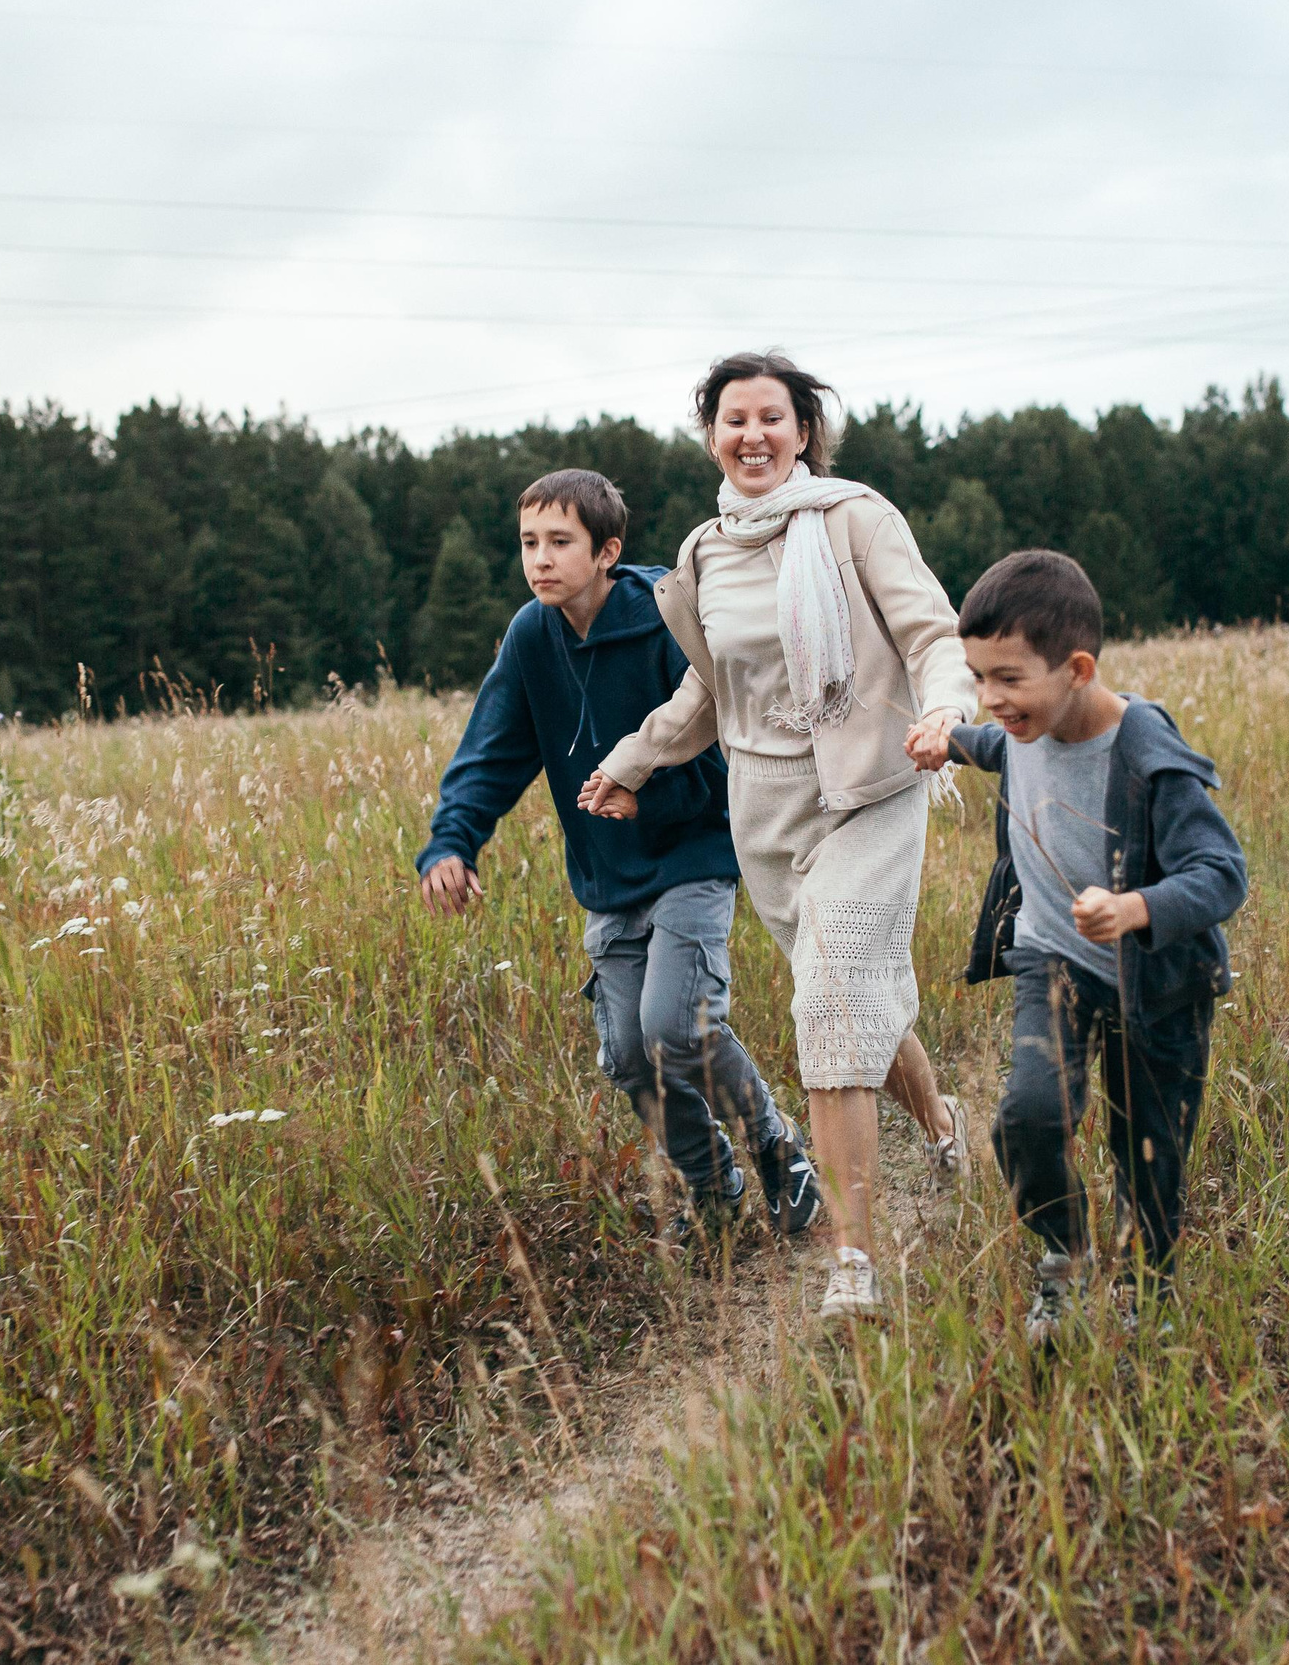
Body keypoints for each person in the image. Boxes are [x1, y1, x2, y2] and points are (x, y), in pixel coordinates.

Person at [578, 353, 972, 1321]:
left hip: (871, 789)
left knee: (829, 1002)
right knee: (850, 997)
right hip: (766, 810)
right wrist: (633, 758)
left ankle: (853, 1262)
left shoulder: (855, 519)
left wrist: (945, 712)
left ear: (803, 431)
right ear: (711, 434)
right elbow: (710, 693)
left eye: (771, 418)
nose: (751, 435)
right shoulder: (703, 553)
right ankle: (939, 1115)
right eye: (732, 419)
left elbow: (932, 633)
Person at [417, 468, 823, 1245]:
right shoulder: (531, 637)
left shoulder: (666, 617)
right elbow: (492, 752)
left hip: (691, 856)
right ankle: (713, 1191)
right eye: (529, 543)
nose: (539, 559)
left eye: (559, 542)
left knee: (678, 1027)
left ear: (607, 551)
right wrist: (453, 841)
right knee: (632, 1056)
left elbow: (717, 738)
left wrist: (653, 792)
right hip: (607, 879)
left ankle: (777, 1149)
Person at [906, 549, 1247, 1341]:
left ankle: (1143, 1296)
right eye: (977, 677)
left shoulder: (1149, 756)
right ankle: (1062, 1256)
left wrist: (1137, 906)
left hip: (1156, 983)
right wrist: (947, 736)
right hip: (1051, 963)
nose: (991, 699)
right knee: (1027, 1117)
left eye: (1008, 679)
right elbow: (996, 748)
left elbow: (1223, 873)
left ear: (1079, 668)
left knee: (1148, 1153)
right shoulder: (1023, 728)